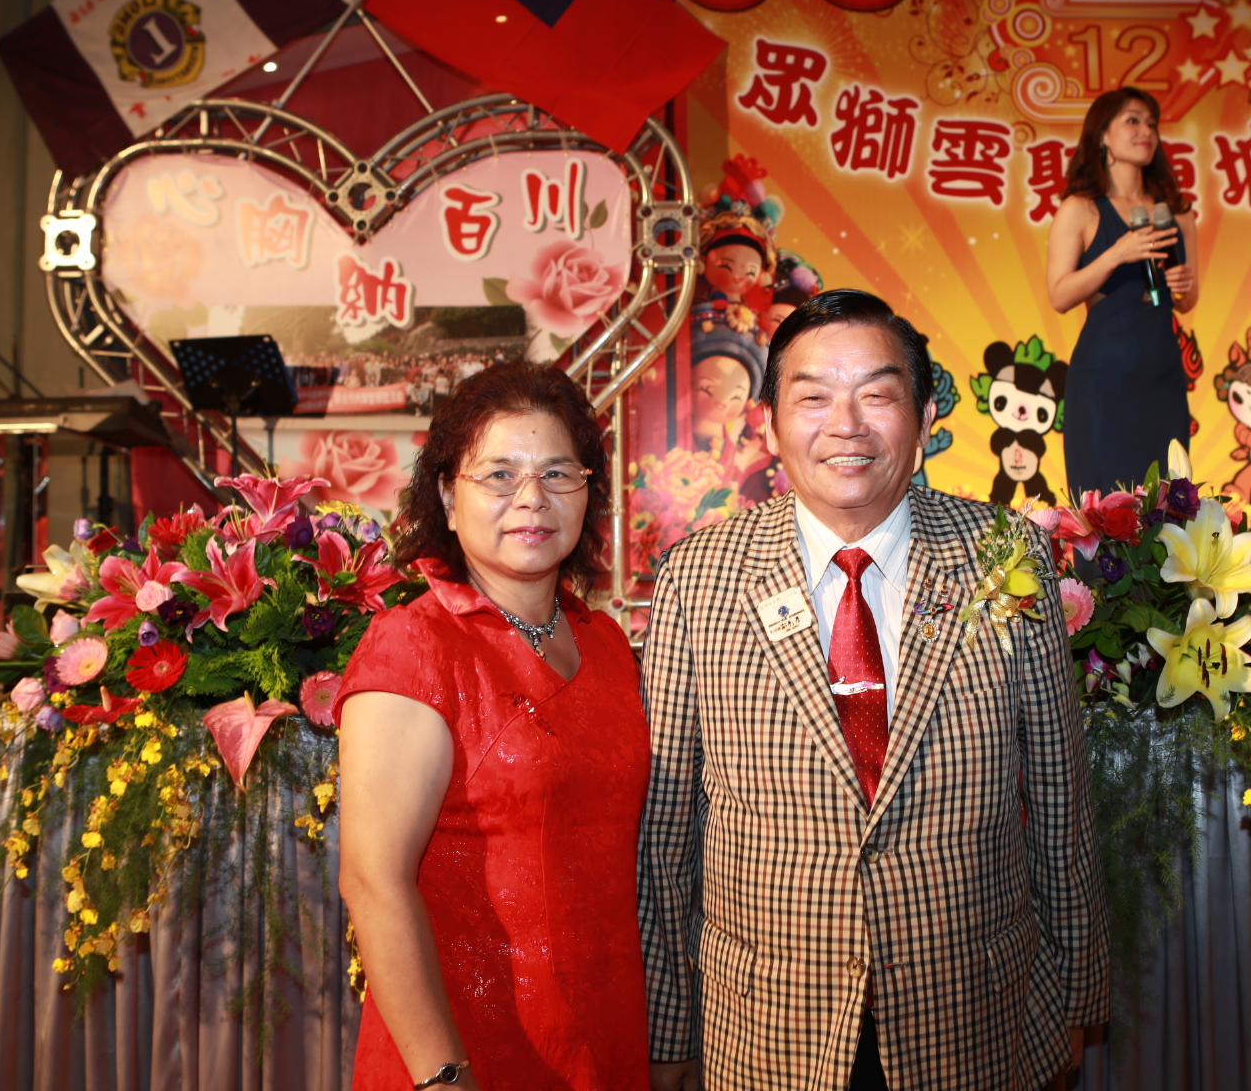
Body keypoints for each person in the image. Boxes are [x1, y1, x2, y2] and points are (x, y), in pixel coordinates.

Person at [637, 289, 1108, 1091]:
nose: (846, 425)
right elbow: (666, 826)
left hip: (972, 1015)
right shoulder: (700, 575)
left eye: (878, 395)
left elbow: (1061, 794)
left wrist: (1075, 993)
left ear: (925, 421)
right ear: (769, 425)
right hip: (766, 1024)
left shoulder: (1004, 553)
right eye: (813, 398)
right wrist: (666, 1023)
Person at [336, 361, 651, 1091]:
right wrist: (443, 1076)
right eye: (500, 475)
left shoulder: (606, 643)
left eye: (558, 474)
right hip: (464, 1047)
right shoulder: (416, 646)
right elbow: (374, 881)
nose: (532, 498)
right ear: (449, 498)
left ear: (588, 493)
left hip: (608, 1034)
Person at [1047, 86, 1199, 498]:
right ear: (1102, 134)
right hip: (1104, 378)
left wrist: (1183, 287)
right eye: (1133, 120)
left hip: (1162, 375)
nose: (1146, 131)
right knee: (1105, 512)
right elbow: (1059, 295)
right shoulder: (1081, 209)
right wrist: (1118, 253)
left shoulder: (1178, 214)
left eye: (1151, 123)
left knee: (1166, 507)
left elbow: (1187, 301)